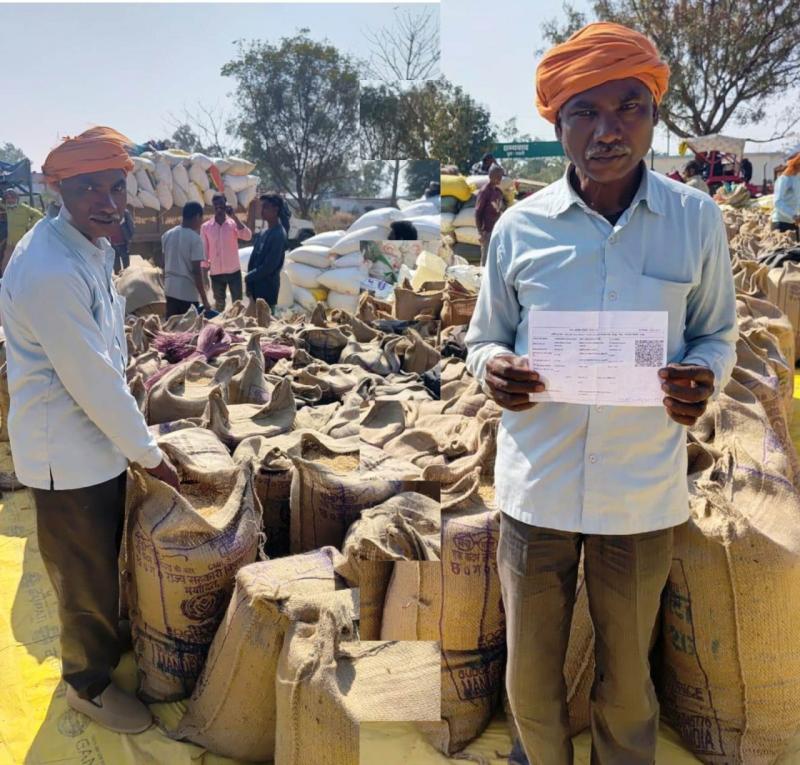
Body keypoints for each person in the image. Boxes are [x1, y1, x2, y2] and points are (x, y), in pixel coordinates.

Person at [465, 22, 738, 765]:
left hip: (640, 490)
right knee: (530, 676)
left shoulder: (695, 221)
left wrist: (703, 378)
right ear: (558, 124)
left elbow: (716, 333)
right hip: (539, 486)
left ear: (654, 117)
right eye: (584, 112)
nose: (608, 131)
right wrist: (493, 369)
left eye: (629, 108)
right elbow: (483, 338)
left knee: (628, 681)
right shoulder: (519, 229)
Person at [0, 126, 180, 734]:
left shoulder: (89, 245)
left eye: (115, 187)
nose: (108, 201)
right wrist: (149, 454)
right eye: (89, 190)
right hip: (66, 453)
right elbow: (91, 379)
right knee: (83, 574)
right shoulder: (50, 269)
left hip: (95, 442)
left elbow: (104, 355)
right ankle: (87, 684)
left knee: (105, 560)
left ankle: (107, 640)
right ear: (60, 191)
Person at [200, 193, 251, 312]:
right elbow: (204, 252)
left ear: (226, 204)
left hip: (234, 272)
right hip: (216, 274)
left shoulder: (233, 224)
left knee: (237, 305)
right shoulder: (206, 227)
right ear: (213, 206)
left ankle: (236, 323)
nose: (219, 208)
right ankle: (220, 323)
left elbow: (247, 236)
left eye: (221, 204)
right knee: (219, 305)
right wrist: (204, 275)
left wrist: (234, 217)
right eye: (216, 205)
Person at [162, 201, 213, 318]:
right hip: (187, 294)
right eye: (201, 219)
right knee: (188, 328)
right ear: (197, 216)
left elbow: (164, 264)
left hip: (170, 290)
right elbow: (197, 272)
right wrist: (205, 300)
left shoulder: (167, 235)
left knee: (172, 326)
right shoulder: (195, 239)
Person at [245, 194, 288, 311]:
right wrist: (249, 282)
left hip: (267, 291)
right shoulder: (264, 232)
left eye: (266, 207)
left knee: (266, 321)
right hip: (256, 289)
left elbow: (269, 266)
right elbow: (254, 258)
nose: (262, 210)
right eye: (262, 207)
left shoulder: (279, 234)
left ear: (275, 210)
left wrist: (250, 277)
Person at [0, 188, 44, 274]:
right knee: (5, 264)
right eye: (8, 198)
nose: (10, 200)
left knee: (24, 263)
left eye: (12, 197)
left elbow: (39, 215)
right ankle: (5, 280)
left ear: (16, 198)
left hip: (22, 243)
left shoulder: (24, 208)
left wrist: (30, 227)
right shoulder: (7, 208)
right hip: (10, 244)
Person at [475, 164, 507, 266]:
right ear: (491, 176)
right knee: (486, 259)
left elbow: (501, 208)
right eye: (497, 176)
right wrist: (481, 232)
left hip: (497, 229)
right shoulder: (484, 192)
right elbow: (478, 212)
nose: (500, 178)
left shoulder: (498, 192)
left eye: (500, 176)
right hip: (487, 231)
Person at [772, 152, 800, 240]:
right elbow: (777, 202)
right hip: (781, 224)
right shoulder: (784, 179)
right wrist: (793, 215)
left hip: (793, 223)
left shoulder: (797, 180)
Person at [109, 207, 134, 274]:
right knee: (117, 269)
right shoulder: (108, 211)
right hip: (113, 244)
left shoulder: (124, 213)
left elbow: (131, 226)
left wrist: (129, 238)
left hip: (122, 243)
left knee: (126, 268)